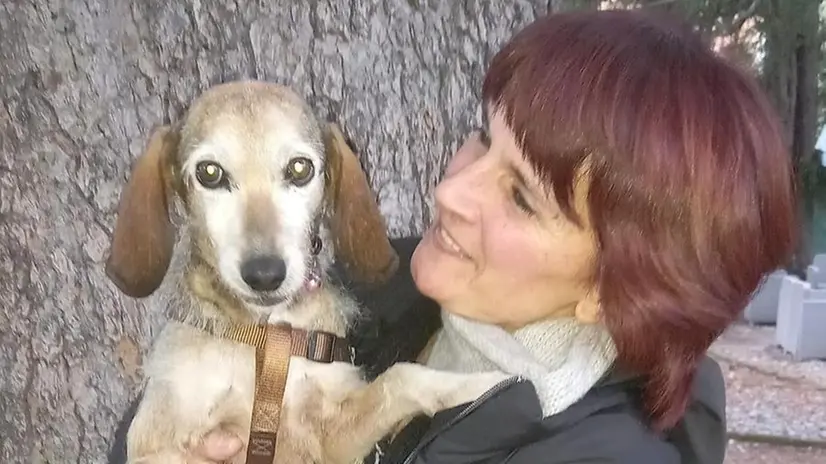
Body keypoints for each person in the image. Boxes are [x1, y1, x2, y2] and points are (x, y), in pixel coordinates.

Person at [134, 8, 797, 464]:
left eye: (520, 197)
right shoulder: (384, 286)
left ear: (612, 289)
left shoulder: (592, 454)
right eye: (483, 137)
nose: (450, 192)